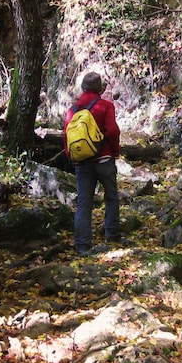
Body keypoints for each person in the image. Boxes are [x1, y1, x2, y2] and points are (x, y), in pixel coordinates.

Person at [64, 72, 123, 256]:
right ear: (100, 89)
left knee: (84, 203)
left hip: (82, 163)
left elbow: (66, 136)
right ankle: (112, 235)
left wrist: (72, 157)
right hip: (104, 160)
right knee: (111, 197)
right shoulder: (106, 106)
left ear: (82, 88)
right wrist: (114, 151)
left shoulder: (73, 110)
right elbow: (112, 131)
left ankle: (83, 245)